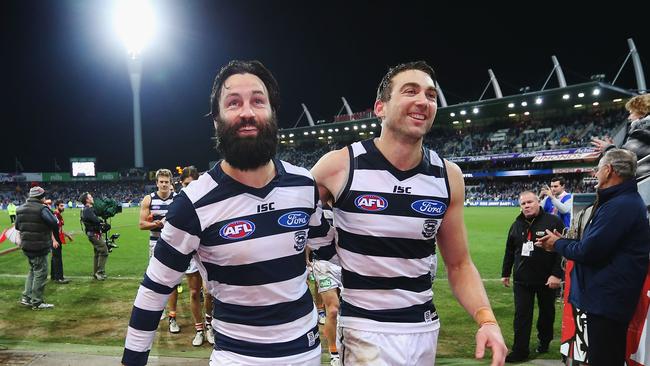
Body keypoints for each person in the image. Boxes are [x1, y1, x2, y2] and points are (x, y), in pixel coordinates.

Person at [122, 60, 333, 366]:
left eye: (258, 101)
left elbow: (326, 251)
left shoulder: (304, 184)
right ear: (216, 120)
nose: (247, 112)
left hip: (307, 354)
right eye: (233, 102)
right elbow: (154, 291)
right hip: (237, 358)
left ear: (272, 112)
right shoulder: (191, 204)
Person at [311, 61, 507, 365]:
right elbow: (291, 221)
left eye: (430, 95)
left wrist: (487, 320)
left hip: (423, 327)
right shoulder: (339, 166)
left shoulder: (447, 176)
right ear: (381, 107)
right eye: (410, 91)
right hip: (364, 328)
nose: (423, 101)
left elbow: (458, 264)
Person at [536, 148, 650, 365]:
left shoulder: (619, 205)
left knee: (604, 358)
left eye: (598, 169)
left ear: (608, 170)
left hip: (608, 299)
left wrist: (557, 243)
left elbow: (589, 251)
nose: (595, 174)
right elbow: (593, 245)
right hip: (606, 297)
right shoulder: (619, 202)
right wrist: (563, 242)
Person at [501, 191, 565, 362]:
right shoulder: (516, 224)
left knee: (547, 313)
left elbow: (561, 250)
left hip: (546, 279)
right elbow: (510, 250)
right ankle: (520, 351)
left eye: (530, 202)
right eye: (523, 204)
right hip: (522, 279)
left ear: (538, 202)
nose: (526, 206)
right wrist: (506, 273)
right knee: (521, 315)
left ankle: (544, 342)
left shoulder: (553, 222)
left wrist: (556, 275)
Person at [138, 168, 180, 333]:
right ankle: (159, 309)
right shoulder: (149, 199)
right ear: (156, 183)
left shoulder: (177, 199)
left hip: (174, 244)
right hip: (156, 243)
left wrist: (168, 222)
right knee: (156, 279)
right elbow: (141, 225)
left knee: (173, 282)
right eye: (161, 182)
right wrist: (157, 224)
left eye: (166, 182)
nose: (164, 184)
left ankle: (172, 316)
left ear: (171, 184)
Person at [178, 165, 215, 347]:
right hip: (189, 252)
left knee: (209, 293)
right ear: (181, 184)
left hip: (207, 250)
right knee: (194, 292)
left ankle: (210, 326)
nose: (190, 187)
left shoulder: (208, 199)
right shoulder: (179, 202)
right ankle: (199, 329)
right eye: (186, 184)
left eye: (193, 184)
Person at [15, 186, 62, 309]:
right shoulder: (42, 209)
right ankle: (37, 301)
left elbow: (17, 227)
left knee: (32, 271)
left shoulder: (20, 208)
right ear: (41, 197)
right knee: (40, 273)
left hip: (26, 246)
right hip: (39, 246)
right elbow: (54, 222)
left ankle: (26, 297)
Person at [308, 208, 342, 366]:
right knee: (333, 309)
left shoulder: (347, 206)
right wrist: (305, 259)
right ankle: (334, 352)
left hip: (348, 263)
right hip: (323, 263)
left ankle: (347, 345)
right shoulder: (318, 208)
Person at [592, 93, 650, 178]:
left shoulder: (643, 128)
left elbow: (625, 161)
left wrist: (608, 148)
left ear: (642, 112)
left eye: (631, 113)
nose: (629, 117)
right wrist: (614, 148)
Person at [80, 192, 109, 280]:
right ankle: (99, 272)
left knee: (97, 252)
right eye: (90, 197)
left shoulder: (87, 209)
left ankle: (96, 272)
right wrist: (103, 224)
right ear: (87, 200)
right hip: (93, 234)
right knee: (104, 250)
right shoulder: (87, 210)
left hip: (93, 233)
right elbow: (95, 220)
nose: (92, 198)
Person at [51, 199, 73, 284]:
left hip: (57, 238)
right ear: (57, 206)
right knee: (57, 258)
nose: (63, 207)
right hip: (55, 239)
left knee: (55, 257)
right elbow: (51, 229)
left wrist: (67, 235)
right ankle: (59, 278)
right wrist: (54, 240)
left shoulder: (58, 215)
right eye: (61, 206)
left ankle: (54, 276)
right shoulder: (55, 215)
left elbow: (59, 229)